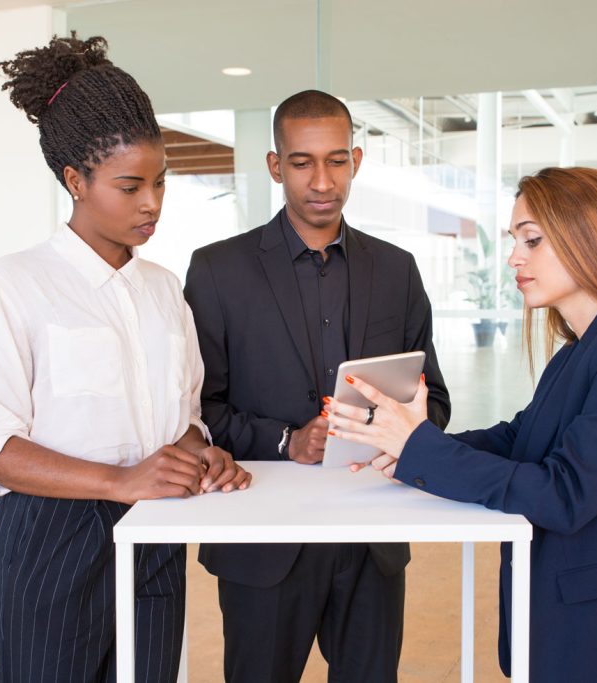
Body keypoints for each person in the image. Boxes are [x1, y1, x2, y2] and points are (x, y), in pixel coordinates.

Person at [326, 167, 597, 682]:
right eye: (516, 240)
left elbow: (566, 493)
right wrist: (404, 444)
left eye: (532, 240)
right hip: (571, 620)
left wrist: (419, 447)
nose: (515, 257)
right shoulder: (582, 348)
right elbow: (520, 440)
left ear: (593, 238)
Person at [0, 34, 250, 683]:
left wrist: (199, 450)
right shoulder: (13, 285)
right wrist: (120, 480)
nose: (152, 202)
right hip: (49, 542)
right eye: (130, 185)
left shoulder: (165, 290)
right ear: (75, 180)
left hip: (153, 540)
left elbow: (184, 414)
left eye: (161, 182)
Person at [183, 89, 451, 683]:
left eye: (336, 160)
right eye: (302, 163)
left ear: (356, 161)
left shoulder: (397, 269)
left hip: (372, 537)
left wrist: (410, 423)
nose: (322, 180)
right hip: (262, 539)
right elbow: (198, 413)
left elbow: (438, 398)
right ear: (277, 166)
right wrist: (287, 441)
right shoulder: (216, 270)